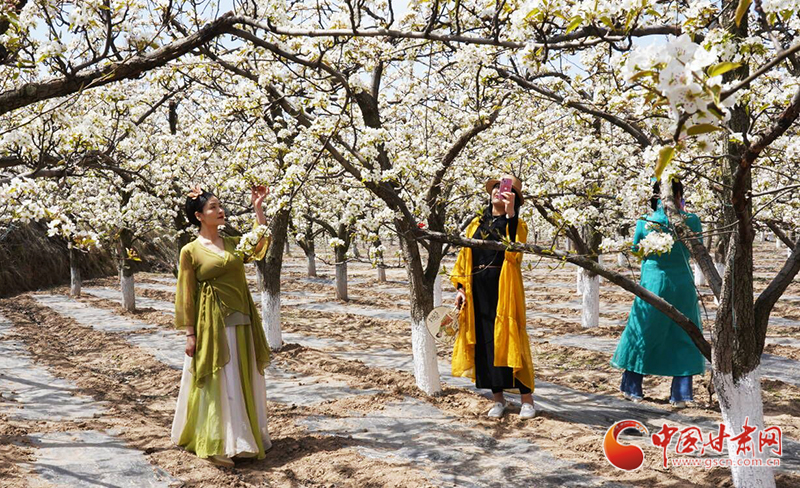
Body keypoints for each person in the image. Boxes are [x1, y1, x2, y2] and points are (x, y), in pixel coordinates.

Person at [171, 185, 273, 466]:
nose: (220, 210)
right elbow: (186, 295)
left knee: (240, 377)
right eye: (213, 207)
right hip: (212, 323)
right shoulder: (190, 251)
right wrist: (190, 334)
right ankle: (218, 440)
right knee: (220, 380)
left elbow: (258, 245)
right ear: (199, 216)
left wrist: (258, 209)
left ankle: (242, 438)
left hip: (242, 318)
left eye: (220, 206)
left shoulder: (233, 243)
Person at [611, 178, 704, 408]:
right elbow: (697, 249)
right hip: (682, 284)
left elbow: (636, 250)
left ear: (655, 196)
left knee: (644, 332)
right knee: (685, 333)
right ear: (679, 195)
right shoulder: (691, 221)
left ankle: (633, 388)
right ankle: (681, 394)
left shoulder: (646, 221)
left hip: (653, 283)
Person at [450, 174, 536, 419]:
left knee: (510, 338)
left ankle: (527, 399)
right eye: (496, 187)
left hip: (504, 288)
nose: (499, 191)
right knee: (485, 342)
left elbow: (515, 253)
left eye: (506, 189)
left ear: (514, 197)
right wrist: (461, 287)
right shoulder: (476, 223)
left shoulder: (517, 224)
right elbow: (464, 256)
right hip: (478, 288)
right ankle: (498, 399)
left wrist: (510, 214)